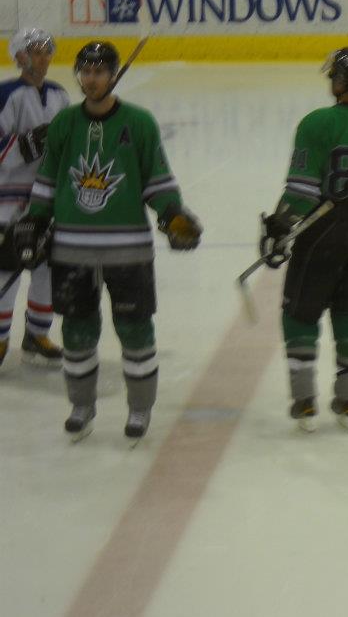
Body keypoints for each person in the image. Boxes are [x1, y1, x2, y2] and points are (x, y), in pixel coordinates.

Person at [12, 41, 201, 440]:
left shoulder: (140, 123)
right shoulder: (65, 124)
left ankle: (139, 409)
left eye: (100, 72)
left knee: (135, 329)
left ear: (113, 75)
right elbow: (48, 180)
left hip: (127, 250)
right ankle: (81, 404)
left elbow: (157, 181)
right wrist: (35, 219)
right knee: (77, 332)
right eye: (85, 71)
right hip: (72, 249)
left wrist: (172, 214)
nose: (91, 79)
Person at [259, 46, 348, 432]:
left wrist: (280, 227)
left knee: (300, 311)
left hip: (324, 228)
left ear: (341, 82)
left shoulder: (317, 123)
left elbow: (302, 190)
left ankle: (305, 401)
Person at [0, 28, 69, 368]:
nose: (42, 56)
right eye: (35, 51)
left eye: (46, 50)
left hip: (47, 196)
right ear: (19, 57)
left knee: (47, 266)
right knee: (5, 268)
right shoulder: (6, 94)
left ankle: (37, 333)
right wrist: (24, 145)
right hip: (7, 198)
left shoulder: (58, 94)